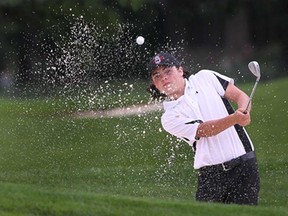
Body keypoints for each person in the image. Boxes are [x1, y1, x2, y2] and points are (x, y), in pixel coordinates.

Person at [147, 51, 260, 205]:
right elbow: (205, 130)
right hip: (211, 175)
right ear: (155, 84)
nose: (164, 77)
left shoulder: (205, 77)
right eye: (157, 76)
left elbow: (240, 96)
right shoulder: (169, 117)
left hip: (245, 166)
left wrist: (244, 110)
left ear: (180, 70)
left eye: (168, 71)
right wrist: (235, 118)